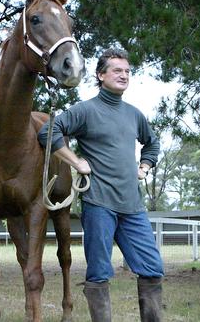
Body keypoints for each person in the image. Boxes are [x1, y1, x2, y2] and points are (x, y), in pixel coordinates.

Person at [38, 48, 164, 322]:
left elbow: (152, 143)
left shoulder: (134, 114)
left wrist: (144, 165)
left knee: (153, 269)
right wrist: (76, 162)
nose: (124, 75)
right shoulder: (86, 110)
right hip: (98, 205)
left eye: (127, 71)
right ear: (100, 75)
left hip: (132, 206)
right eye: (117, 70)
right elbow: (48, 131)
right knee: (99, 273)